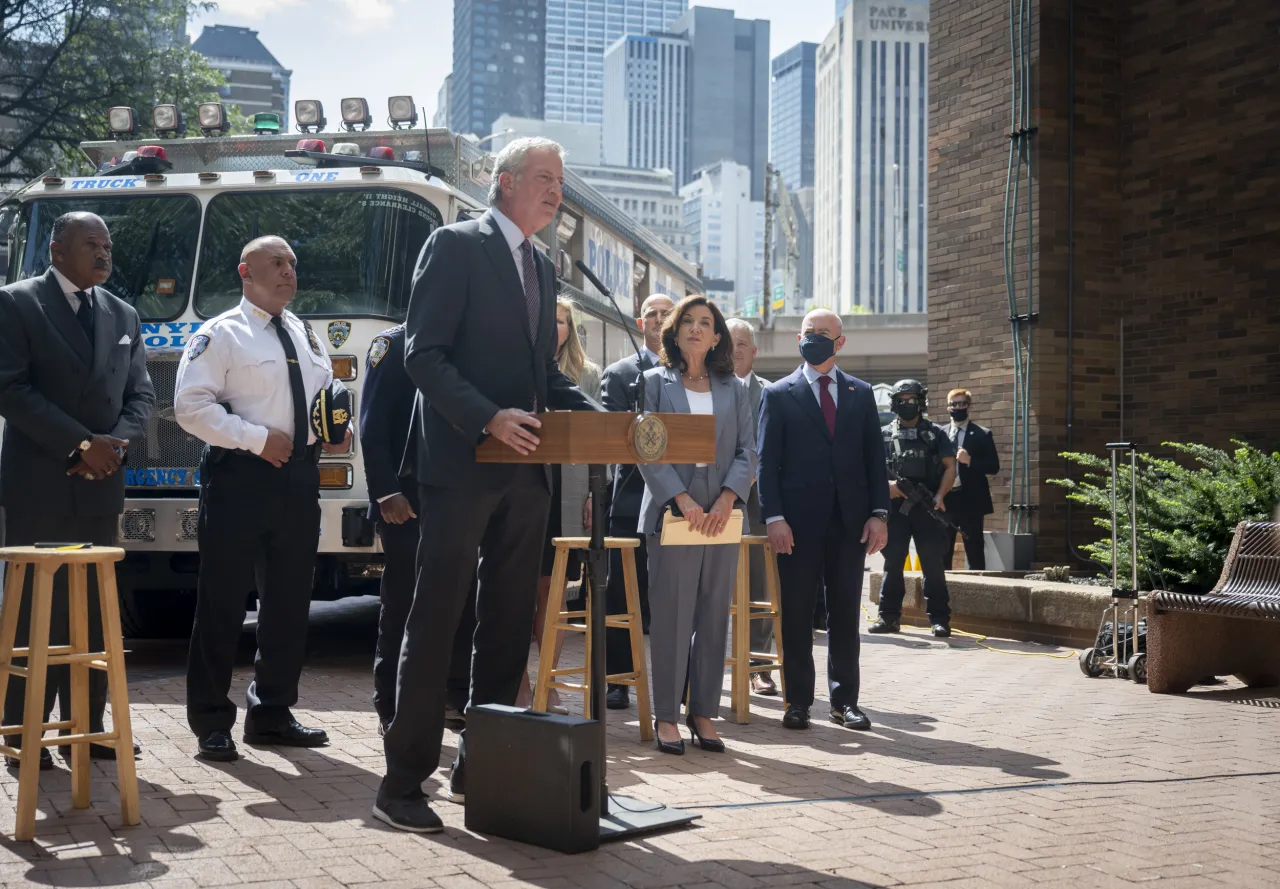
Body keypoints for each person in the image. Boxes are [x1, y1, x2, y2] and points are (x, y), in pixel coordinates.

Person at [376, 137, 599, 834]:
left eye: (560, 180)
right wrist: (487, 417)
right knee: (438, 617)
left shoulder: (541, 266)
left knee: (507, 627)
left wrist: (608, 419)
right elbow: (422, 354)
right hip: (460, 466)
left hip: (525, 476)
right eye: (543, 177)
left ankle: (486, 760)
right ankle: (403, 781)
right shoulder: (455, 245)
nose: (556, 190)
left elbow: (544, 378)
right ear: (504, 182)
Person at [174, 235, 350, 763]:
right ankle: (210, 720)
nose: (288, 272)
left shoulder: (303, 332)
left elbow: (319, 400)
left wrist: (331, 433)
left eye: (293, 263)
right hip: (240, 479)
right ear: (245, 272)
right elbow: (189, 407)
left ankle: (272, 712)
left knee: (290, 604)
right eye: (276, 263)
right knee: (223, 603)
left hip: (299, 480)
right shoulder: (220, 334)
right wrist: (255, 438)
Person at [0, 211, 154, 768]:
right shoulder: (17, 303)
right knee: (37, 613)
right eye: (91, 244)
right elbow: (9, 389)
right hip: (42, 482)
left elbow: (141, 397)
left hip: (100, 485)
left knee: (90, 609)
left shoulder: (122, 313)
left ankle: (87, 728)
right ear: (57, 248)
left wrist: (111, 445)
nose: (103, 253)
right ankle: (23, 732)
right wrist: (78, 444)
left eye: (108, 245)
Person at [757, 309, 889, 732]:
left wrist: (879, 514)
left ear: (840, 342)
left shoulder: (860, 392)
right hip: (795, 526)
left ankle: (844, 702)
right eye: (808, 333)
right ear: (799, 338)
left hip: (850, 524)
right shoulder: (778, 394)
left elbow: (874, 459)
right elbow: (767, 464)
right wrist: (774, 517)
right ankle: (797, 701)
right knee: (796, 614)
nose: (814, 339)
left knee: (845, 615)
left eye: (823, 334)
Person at [638, 296, 755, 755]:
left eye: (705, 323)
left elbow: (749, 449)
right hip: (674, 511)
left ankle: (703, 712)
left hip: (721, 514)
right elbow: (646, 446)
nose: (695, 328)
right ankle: (666, 715)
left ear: (717, 336)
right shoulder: (652, 382)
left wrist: (728, 497)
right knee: (671, 615)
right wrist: (681, 498)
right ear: (674, 329)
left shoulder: (735, 387)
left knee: (711, 615)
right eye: (687, 320)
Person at [358, 324, 476, 735]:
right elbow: (372, 428)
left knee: (466, 601)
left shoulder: (466, 344)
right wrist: (386, 491)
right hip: (406, 502)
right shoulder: (391, 345)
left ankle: (457, 696)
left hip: (459, 496)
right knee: (403, 604)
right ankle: (390, 703)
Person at [514, 297, 601, 715]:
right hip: (523, 485)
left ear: (570, 329)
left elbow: (596, 437)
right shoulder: (514, 365)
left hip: (566, 493)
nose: (555, 326)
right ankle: (521, 687)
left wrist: (590, 495)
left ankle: (548, 684)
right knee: (515, 592)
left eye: (562, 320)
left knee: (553, 595)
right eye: (547, 319)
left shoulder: (586, 375)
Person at [599, 293, 674, 710]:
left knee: (670, 597)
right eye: (652, 314)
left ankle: (673, 681)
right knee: (622, 598)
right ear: (640, 323)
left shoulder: (689, 373)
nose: (660, 320)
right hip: (630, 503)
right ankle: (618, 681)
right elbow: (616, 439)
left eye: (667, 314)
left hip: (678, 506)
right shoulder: (620, 372)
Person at [870, 380, 958, 638]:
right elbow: (870, 470)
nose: (908, 404)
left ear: (921, 401)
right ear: (895, 402)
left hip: (927, 506)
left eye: (913, 399)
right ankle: (888, 618)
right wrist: (888, 487)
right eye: (903, 399)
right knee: (893, 562)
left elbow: (950, 467)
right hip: (895, 510)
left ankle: (940, 620)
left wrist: (941, 495)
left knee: (932, 564)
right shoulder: (884, 433)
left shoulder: (936, 433)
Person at [726, 318, 777, 696]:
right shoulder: (707, 389)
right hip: (714, 503)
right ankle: (712, 665)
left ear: (754, 351)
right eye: (729, 342)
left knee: (759, 586)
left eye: (743, 343)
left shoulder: (772, 394)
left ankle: (759, 666)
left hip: (758, 506)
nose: (736, 349)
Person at [941, 388, 999, 570]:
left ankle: (978, 589)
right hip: (946, 498)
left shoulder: (982, 434)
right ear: (948, 407)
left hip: (971, 500)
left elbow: (993, 466)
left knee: (974, 547)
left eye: (962, 404)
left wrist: (970, 461)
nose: (958, 407)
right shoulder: (939, 434)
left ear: (969, 406)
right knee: (943, 547)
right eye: (954, 404)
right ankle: (941, 590)